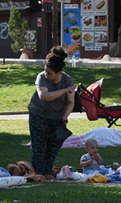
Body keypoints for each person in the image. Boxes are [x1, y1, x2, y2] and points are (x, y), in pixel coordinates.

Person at [27, 46, 76, 179]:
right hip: (38, 115)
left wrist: (65, 116)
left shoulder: (66, 80)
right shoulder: (41, 78)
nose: (46, 75)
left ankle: (47, 173)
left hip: (57, 118)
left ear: (59, 72)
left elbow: (70, 102)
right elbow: (44, 96)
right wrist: (65, 90)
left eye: (50, 73)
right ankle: (38, 174)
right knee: (39, 147)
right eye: (45, 71)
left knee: (53, 148)